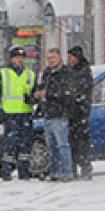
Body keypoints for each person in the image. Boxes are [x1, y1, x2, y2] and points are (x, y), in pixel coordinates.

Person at [34, 48, 76, 182]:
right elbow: (41, 88)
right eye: (49, 58)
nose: (51, 61)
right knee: (52, 146)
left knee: (62, 145)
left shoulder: (66, 73)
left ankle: (67, 172)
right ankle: (55, 172)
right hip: (48, 114)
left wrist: (49, 94)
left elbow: (67, 94)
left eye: (53, 58)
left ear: (59, 58)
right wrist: (37, 94)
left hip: (60, 114)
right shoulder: (46, 73)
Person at [0, 46, 37, 180]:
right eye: (17, 57)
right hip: (10, 115)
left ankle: (24, 172)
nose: (20, 60)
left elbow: (34, 93)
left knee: (26, 145)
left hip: (26, 114)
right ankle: (6, 172)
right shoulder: (4, 73)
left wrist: (33, 98)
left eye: (22, 57)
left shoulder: (30, 74)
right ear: (12, 59)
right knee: (10, 145)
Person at [64, 46, 95, 179]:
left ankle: (85, 166)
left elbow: (83, 90)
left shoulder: (84, 72)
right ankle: (73, 166)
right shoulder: (68, 71)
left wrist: (75, 98)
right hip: (70, 112)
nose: (69, 60)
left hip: (80, 111)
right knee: (71, 140)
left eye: (71, 57)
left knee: (81, 141)